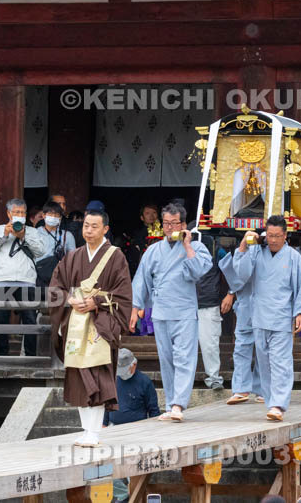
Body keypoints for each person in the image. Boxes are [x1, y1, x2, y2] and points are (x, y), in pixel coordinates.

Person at [50, 209, 132, 447]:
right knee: (77, 374)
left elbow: (124, 294)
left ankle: (94, 431)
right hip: (75, 321)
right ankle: (85, 429)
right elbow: (56, 286)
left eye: (94, 226)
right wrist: (70, 300)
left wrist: (95, 302)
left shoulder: (116, 257)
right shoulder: (73, 256)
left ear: (105, 229)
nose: (89, 230)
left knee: (97, 375)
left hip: (100, 323)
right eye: (86, 225)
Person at [130, 203, 212, 421]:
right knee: (166, 360)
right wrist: (136, 307)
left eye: (174, 223)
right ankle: (170, 403)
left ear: (183, 224)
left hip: (184, 311)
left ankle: (178, 404)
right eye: (166, 223)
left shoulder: (197, 248)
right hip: (161, 311)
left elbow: (198, 272)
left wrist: (187, 246)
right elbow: (141, 280)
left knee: (184, 358)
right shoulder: (154, 251)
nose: (169, 227)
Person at [231, 215, 301, 422]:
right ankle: (270, 401)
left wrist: (300, 313)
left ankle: (278, 404)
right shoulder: (256, 252)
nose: (274, 240)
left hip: (282, 317)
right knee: (265, 362)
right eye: (270, 235)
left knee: (281, 362)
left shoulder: (293, 257)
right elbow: (240, 274)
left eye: (278, 236)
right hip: (259, 316)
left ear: (285, 235)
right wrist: (243, 245)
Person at [0, 198, 48, 357]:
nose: (19, 215)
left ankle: (30, 356)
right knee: (1, 319)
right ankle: (2, 355)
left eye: (22, 212)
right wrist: (4, 235)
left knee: (30, 319)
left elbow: (41, 251)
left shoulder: (32, 231)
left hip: (26, 281)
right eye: (16, 212)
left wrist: (24, 236)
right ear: (8, 213)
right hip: (2, 280)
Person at [104, 348, 161, 502]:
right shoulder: (114, 379)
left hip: (137, 431)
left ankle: (135, 496)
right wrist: (103, 426)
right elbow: (107, 404)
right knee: (105, 469)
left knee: (134, 470)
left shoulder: (144, 382)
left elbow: (154, 410)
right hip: (113, 428)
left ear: (134, 365)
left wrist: (154, 435)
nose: (122, 373)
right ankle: (123, 495)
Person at [223, 241, 263, 406]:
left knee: (263, 350)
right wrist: (231, 293)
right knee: (241, 348)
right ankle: (241, 389)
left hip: (265, 307)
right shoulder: (244, 249)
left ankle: (262, 389)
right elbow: (240, 274)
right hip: (246, 304)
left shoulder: (273, 250)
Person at [196, 236, 230, 390]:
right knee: (181, 346)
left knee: (209, 345)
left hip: (209, 303)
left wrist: (231, 293)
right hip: (184, 304)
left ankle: (214, 378)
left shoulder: (217, 249)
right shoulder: (181, 248)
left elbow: (231, 269)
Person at [34, 200, 77, 297]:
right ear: (44, 215)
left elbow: (73, 260)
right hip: (39, 277)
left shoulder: (67, 236)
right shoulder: (34, 234)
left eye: (56, 215)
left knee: (58, 306)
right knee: (38, 306)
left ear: (60, 218)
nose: (53, 217)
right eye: (50, 214)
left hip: (60, 278)